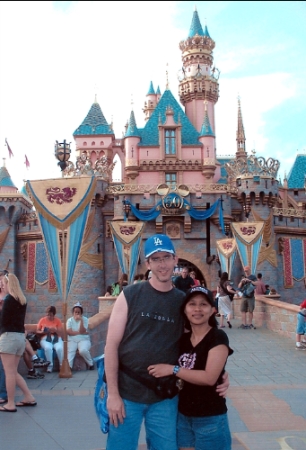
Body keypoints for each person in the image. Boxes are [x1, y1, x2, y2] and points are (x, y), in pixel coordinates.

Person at [104, 234, 229, 450]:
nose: (162, 265)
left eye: (166, 258)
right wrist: (113, 394)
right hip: (127, 394)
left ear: (175, 260)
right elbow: (111, 346)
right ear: (148, 263)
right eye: (156, 259)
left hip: (164, 397)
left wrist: (219, 372)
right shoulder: (130, 294)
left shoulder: (182, 301)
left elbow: (199, 342)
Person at [148, 286, 233, 450]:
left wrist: (173, 370)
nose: (197, 309)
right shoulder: (183, 340)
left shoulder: (217, 337)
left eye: (203, 304)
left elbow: (209, 378)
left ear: (212, 310)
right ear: (185, 310)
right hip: (183, 417)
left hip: (210, 417)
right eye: (192, 304)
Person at [0, 273, 37, 412]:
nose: (2, 285)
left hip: (8, 337)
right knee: (13, 372)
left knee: (9, 372)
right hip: (20, 337)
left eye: (3, 283)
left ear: (9, 283)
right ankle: (29, 396)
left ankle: (10, 403)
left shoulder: (8, 299)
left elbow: (3, 321)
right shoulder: (22, 300)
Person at [67, 302, 94, 369]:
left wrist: (81, 320)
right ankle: (69, 367)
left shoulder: (85, 319)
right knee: (71, 350)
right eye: (75, 312)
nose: (77, 313)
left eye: (78, 312)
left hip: (83, 339)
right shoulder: (69, 320)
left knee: (83, 350)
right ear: (73, 312)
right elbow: (70, 332)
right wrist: (80, 332)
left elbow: (82, 331)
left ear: (81, 313)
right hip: (72, 339)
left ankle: (91, 364)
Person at [36, 305, 63, 373]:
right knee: (48, 348)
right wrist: (43, 331)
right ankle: (50, 366)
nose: (49, 317)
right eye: (48, 315)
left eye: (51, 315)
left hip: (56, 338)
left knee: (59, 348)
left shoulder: (57, 321)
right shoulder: (42, 320)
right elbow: (37, 331)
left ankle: (62, 366)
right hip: (45, 338)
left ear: (54, 315)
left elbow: (60, 332)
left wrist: (55, 330)